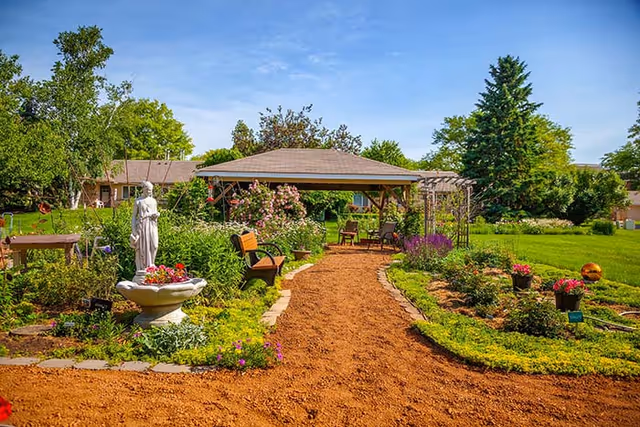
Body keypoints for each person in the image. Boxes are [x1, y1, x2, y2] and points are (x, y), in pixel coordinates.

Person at [130, 181, 159, 272]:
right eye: (147, 189)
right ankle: (143, 267)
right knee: (142, 248)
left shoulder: (153, 201)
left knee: (154, 245)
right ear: (143, 189)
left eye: (150, 190)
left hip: (152, 225)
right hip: (142, 226)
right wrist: (134, 230)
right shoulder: (138, 201)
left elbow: (155, 212)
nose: (149, 192)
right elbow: (134, 216)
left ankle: (152, 264)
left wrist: (157, 215)